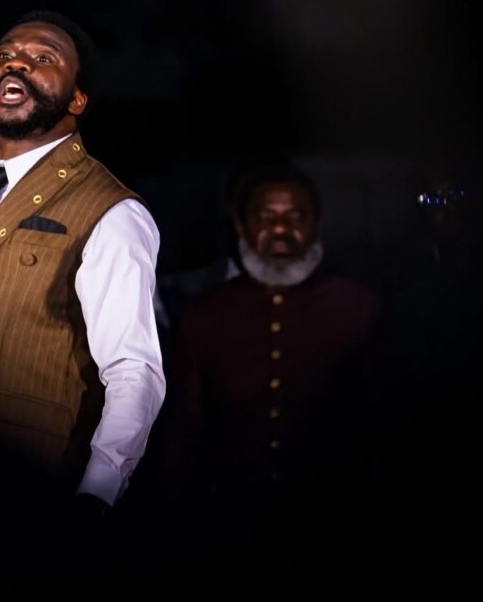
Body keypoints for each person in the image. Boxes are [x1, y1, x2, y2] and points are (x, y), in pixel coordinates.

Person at [0, 10, 165, 515]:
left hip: (27, 491)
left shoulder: (111, 211)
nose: (17, 64)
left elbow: (133, 371)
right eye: (5, 54)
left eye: (43, 58)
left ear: (77, 99)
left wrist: (97, 494)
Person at [159, 163, 382, 553]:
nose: (281, 230)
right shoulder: (204, 314)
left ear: (316, 225)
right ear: (241, 225)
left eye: (295, 218)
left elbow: (388, 417)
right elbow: (183, 428)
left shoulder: (359, 308)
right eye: (265, 218)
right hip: (229, 523)